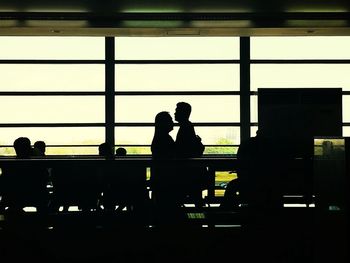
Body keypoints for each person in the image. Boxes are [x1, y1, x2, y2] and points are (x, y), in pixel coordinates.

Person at [1, 137, 49, 213]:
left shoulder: (10, 165)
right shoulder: (36, 164)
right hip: (37, 195)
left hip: (14, 197)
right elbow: (45, 177)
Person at [151, 111, 183, 223]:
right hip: (167, 180)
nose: (172, 122)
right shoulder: (166, 139)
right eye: (170, 120)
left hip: (161, 179)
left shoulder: (159, 138)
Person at [174, 102, 206, 207]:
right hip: (192, 171)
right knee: (196, 198)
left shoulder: (185, 127)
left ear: (183, 113)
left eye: (177, 110)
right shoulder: (188, 126)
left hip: (188, 171)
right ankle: (201, 218)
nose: (175, 113)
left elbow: (181, 149)